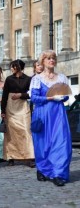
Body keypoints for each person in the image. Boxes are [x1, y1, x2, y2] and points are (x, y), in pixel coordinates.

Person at [30, 50, 72, 187]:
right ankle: (42, 169)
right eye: (48, 58)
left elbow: (66, 95)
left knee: (61, 143)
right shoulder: (37, 79)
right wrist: (49, 97)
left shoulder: (61, 78)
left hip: (58, 114)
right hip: (42, 114)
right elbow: (34, 98)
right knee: (43, 144)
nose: (51, 60)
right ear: (43, 61)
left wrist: (62, 97)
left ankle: (58, 173)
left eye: (53, 58)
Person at [1, 59, 35, 167]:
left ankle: (29, 157)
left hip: (23, 106)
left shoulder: (28, 79)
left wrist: (21, 95)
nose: (11, 69)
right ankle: (11, 156)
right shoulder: (9, 79)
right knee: (11, 133)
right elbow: (5, 95)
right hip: (10, 107)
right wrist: (2, 110)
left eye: (13, 66)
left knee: (26, 131)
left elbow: (30, 94)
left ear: (18, 67)